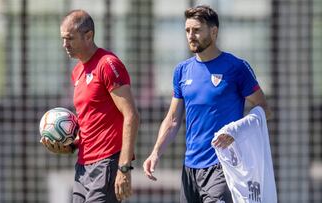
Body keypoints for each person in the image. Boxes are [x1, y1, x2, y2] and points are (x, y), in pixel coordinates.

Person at [143, 5, 271, 203]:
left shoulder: (236, 67)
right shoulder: (182, 71)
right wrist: (155, 153)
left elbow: (263, 109)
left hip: (223, 165)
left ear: (213, 31)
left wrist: (235, 131)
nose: (190, 36)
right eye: (187, 30)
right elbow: (173, 119)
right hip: (190, 168)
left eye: (196, 30)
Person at [40, 9, 139, 203]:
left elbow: (131, 115)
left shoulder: (108, 64)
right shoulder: (77, 72)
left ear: (89, 36)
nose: (64, 45)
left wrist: (124, 168)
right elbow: (90, 121)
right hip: (83, 165)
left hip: (107, 163)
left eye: (69, 38)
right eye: (62, 39)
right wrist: (70, 147)